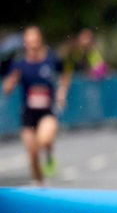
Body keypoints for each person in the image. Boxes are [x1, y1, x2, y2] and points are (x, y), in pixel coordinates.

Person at [2, 26, 70, 186]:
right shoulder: (19, 64)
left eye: (35, 40)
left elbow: (65, 72)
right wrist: (11, 82)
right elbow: (7, 89)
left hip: (47, 112)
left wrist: (62, 91)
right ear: (25, 44)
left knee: (44, 140)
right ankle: (39, 186)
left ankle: (49, 153)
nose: (32, 44)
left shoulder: (51, 59)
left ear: (40, 41)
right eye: (29, 41)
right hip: (28, 114)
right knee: (32, 154)